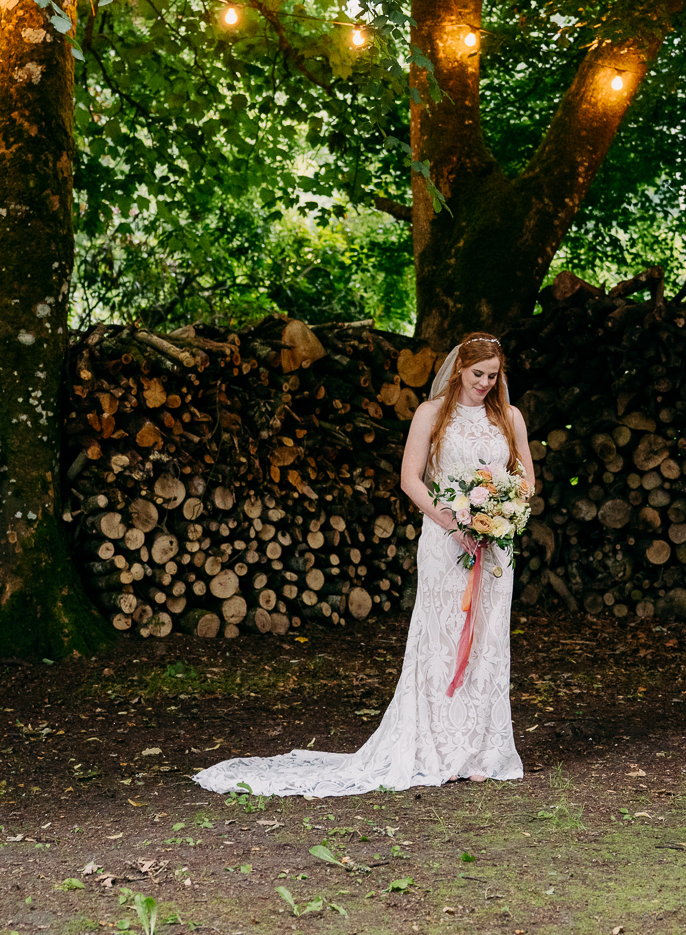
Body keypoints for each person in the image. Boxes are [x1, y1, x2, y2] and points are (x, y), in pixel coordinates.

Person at [191, 332, 530, 797]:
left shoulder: (509, 418)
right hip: (446, 540)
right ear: (458, 369)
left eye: (493, 376)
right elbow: (411, 479)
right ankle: (440, 750)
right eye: (478, 375)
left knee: (487, 642)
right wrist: (454, 524)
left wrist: (498, 516)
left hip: (493, 549)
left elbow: (525, 480)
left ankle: (482, 753)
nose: (486, 383)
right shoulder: (431, 414)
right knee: (443, 638)